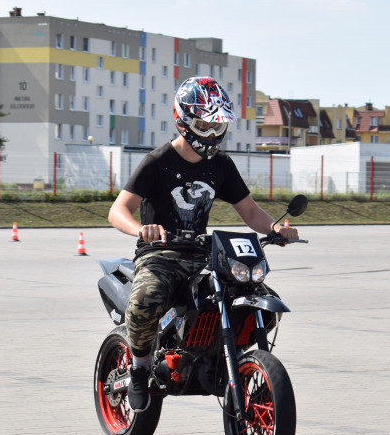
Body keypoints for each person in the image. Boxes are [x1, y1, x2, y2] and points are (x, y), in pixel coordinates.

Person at [108, 76, 300, 412]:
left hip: (201, 255)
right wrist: (141, 229)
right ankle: (139, 370)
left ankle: (231, 362)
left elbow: (250, 211)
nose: (211, 134)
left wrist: (275, 228)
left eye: (217, 126)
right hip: (160, 254)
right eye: (204, 126)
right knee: (144, 300)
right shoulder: (158, 161)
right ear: (183, 121)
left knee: (263, 301)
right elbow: (117, 210)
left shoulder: (221, 165)